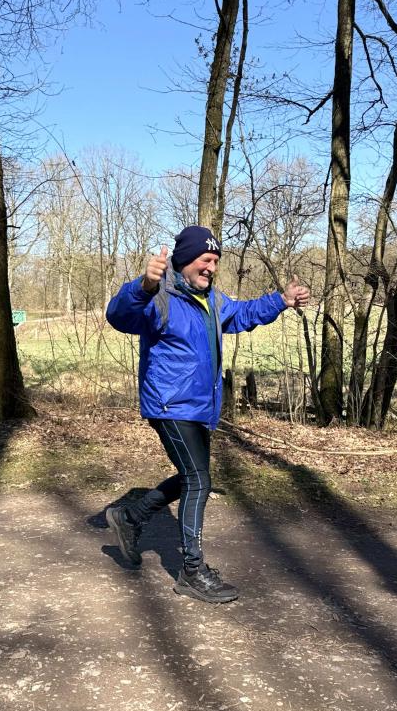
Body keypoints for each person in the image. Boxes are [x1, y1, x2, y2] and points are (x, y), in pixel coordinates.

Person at [104, 225, 311, 603]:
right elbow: (119, 316)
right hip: (170, 404)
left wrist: (281, 300)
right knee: (198, 479)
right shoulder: (159, 297)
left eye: (216, 261)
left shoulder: (211, 300)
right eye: (205, 260)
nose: (211, 267)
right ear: (184, 260)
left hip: (200, 406)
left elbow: (242, 313)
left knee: (192, 476)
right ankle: (192, 570)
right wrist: (143, 286)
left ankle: (130, 518)